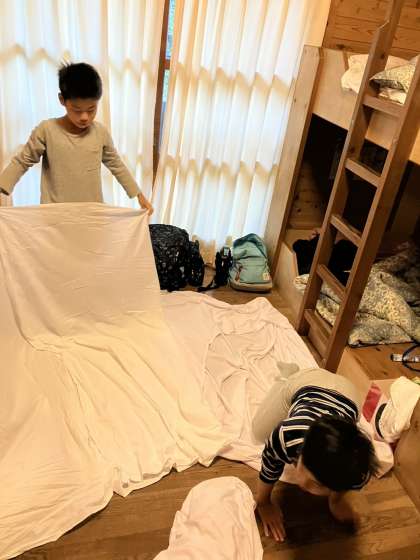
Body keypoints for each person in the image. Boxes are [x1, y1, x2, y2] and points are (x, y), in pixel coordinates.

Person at [0, 62, 153, 214]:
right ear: (62, 100)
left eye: (91, 109)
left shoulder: (100, 133)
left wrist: (139, 195)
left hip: (91, 214)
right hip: (54, 215)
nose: (85, 117)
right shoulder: (46, 130)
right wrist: (2, 186)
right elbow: (22, 161)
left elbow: (117, 165)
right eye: (77, 110)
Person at [253, 363, 379, 542]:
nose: (303, 485)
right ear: (301, 450)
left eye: (318, 485)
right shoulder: (287, 434)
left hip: (349, 394)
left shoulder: (359, 472)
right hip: (306, 382)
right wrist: (263, 502)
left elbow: (344, 483)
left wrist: (335, 501)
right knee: (258, 432)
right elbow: (270, 462)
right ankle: (288, 375)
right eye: (303, 468)